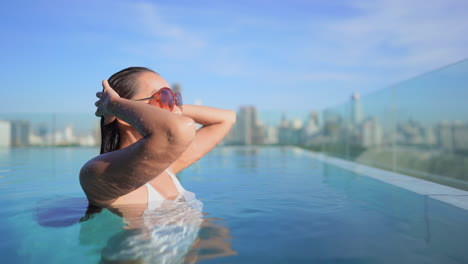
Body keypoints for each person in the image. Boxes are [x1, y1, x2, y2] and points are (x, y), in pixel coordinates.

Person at [80, 66, 236, 209]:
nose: (175, 107)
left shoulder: (166, 167)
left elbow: (227, 118)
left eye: (175, 98)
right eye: (163, 97)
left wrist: (174, 108)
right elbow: (177, 131)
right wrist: (114, 105)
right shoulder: (97, 174)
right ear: (122, 115)